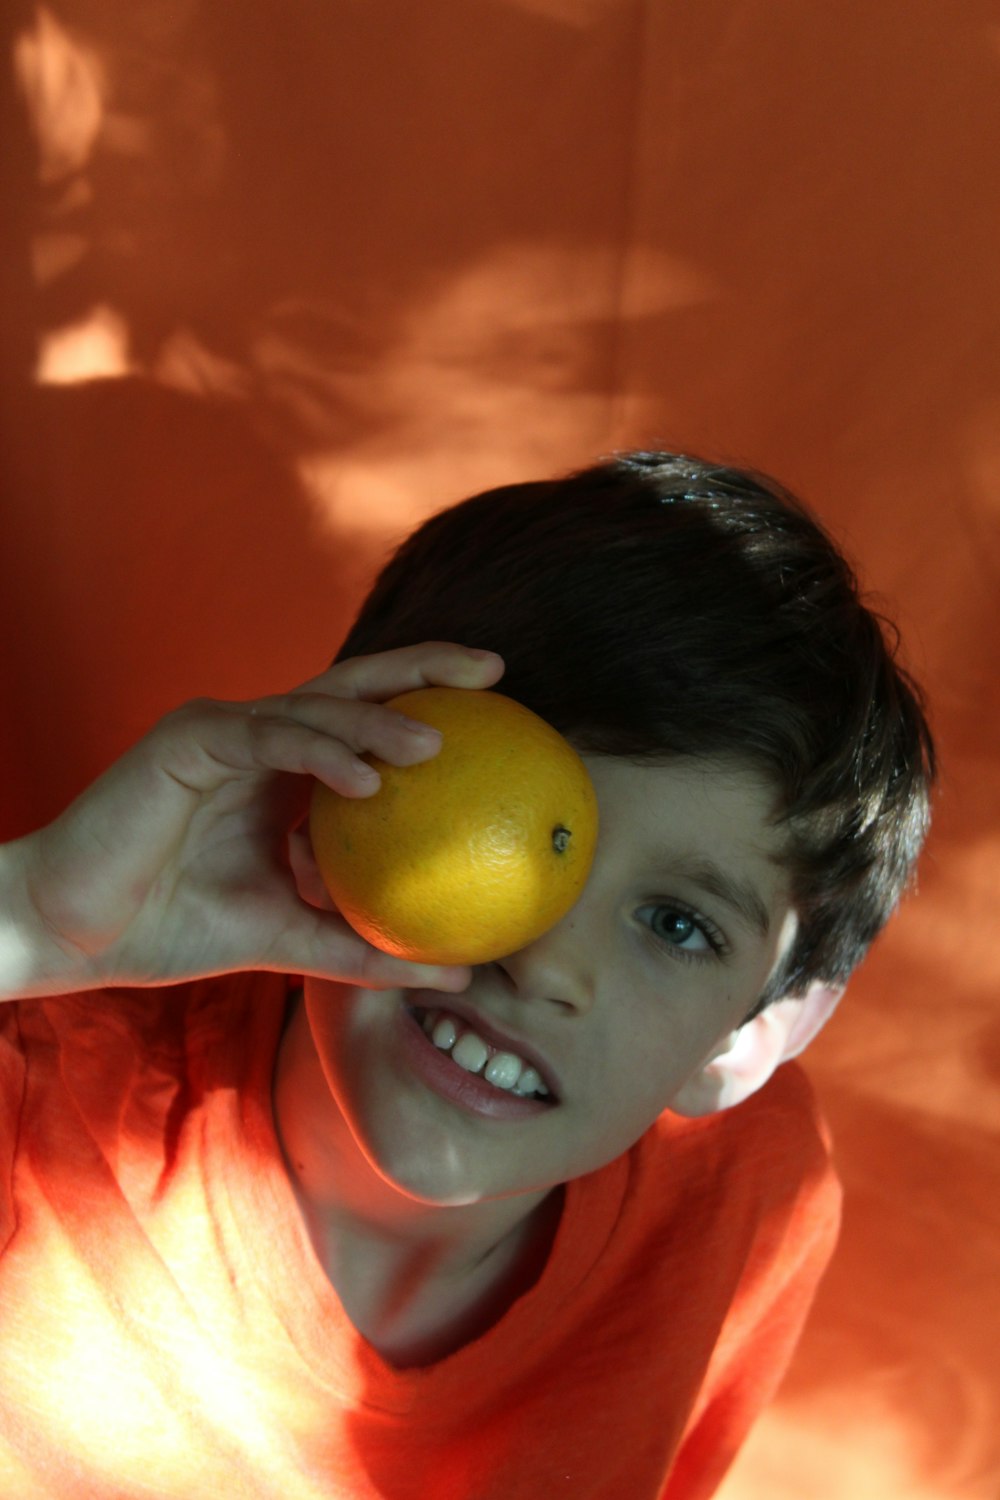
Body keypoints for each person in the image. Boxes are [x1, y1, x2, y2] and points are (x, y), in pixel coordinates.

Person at [0, 452, 934, 1499]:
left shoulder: (743, 1201)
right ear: (324, 797)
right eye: (495, 831)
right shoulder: (34, 1086)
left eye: (676, 924)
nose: (541, 959)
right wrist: (27, 918)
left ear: (756, 1036)